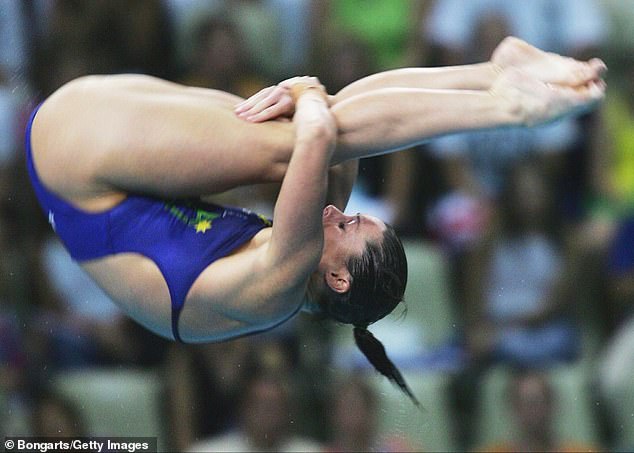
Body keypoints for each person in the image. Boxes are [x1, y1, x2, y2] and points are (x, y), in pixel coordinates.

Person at [25, 37, 605, 405]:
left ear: (338, 279)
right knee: (327, 131)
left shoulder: (280, 279)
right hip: (89, 149)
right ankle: (492, 72)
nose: (336, 213)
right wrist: (314, 100)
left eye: (349, 228)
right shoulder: (305, 262)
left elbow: (321, 130)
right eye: (353, 217)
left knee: (293, 144)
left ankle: (508, 106)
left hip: (75, 163)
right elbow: (348, 125)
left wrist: (304, 89)